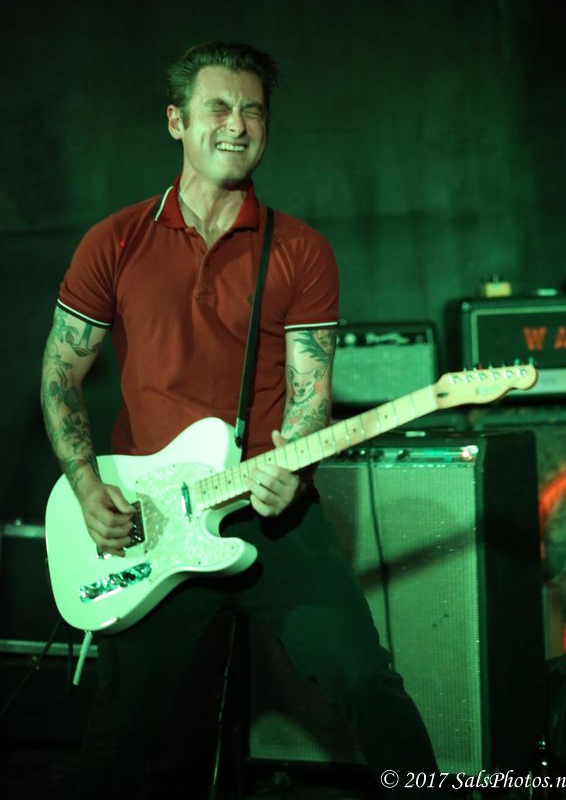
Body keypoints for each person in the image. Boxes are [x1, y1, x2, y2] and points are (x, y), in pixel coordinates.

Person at [40, 41, 440, 798]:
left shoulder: (300, 250)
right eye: (218, 107)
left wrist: (296, 468)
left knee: (365, 681)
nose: (237, 124)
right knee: (121, 735)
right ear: (176, 121)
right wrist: (87, 487)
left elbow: (309, 395)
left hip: (271, 515)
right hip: (152, 522)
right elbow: (61, 371)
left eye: (252, 111)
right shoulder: (115, 241)